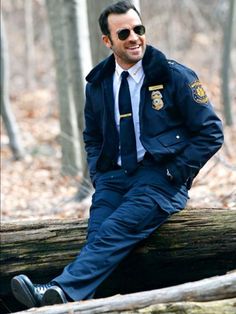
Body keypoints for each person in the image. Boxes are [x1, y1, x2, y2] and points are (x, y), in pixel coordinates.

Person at [11, 0, 224, 308]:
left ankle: (58, 293)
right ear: (107, 41)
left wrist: (174, 173)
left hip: (160, 179)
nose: (134, 37)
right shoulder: (98, 83)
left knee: (113, 231)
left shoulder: (174, 76)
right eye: (124, 33)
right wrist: (100, 174)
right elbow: (92, 136)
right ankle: (82, 304)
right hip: (114, 178)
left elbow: (211, 132)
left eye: (139, 29)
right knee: (97, 234)